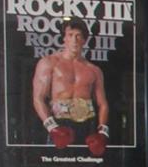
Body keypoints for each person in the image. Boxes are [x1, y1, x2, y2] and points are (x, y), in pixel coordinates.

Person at [32, 17, 109, 156]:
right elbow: (38, 98)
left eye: (78, 36)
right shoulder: (49, 63)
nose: (74, 40)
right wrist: (52, 128)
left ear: (84, 40)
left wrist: (102, 133)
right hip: (57, 123)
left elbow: (102, 104)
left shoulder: (94, 70)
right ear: (64, 38)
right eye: (70, 35)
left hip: (86, 127)